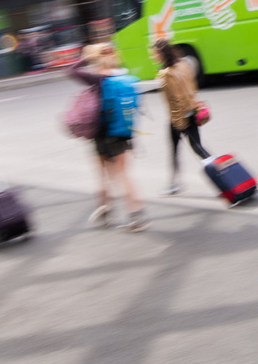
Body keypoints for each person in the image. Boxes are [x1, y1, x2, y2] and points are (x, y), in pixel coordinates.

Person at [69, 44, 149, 231]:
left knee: (104, 176)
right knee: (124, 176)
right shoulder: (123, 74)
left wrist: (87, 58)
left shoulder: (98, 78)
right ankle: (134, 215)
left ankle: (110, 215)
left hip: (103, 134)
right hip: (124, 133)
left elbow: (70, 70)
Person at [151, 39, 211, 195]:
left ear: (161, 54)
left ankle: (174, 184)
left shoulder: (166, 74)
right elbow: (192, 86)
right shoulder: (183, 65)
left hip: (179, 116)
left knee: (178, 150)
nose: (153, 57)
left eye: (155, 53)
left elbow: (176, 99)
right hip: (192, 110)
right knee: (197, 147)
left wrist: (178, 122)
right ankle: (218, 168)